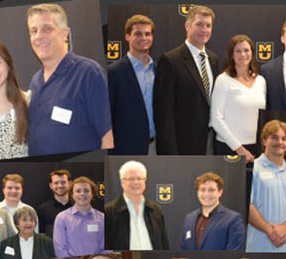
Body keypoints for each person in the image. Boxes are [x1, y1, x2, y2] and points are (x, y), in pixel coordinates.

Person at [26, 3, 113, 155]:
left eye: (47, 28)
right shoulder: (34, 81)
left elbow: (108, 134)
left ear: (65, 34)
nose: (39, 36)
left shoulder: (89, 73)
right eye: (34, 31)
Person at [154, 5, 218, 155]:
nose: (204, 29)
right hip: (182, 144)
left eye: (208, 25)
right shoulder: (170, 60)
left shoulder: (213, 59)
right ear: (187, 26)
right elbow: (164, 113)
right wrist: (170, 152)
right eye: (199, 24)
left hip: (210, 141)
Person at [246, 120, 286, 252]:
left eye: (284, 139)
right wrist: (269, 230)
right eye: (274, 137)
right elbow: (247, 205)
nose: (279, 142)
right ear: (264, 140)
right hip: (257, 244)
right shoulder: (252, 169)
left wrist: (284, 228)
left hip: (285, 244)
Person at [210, 34, 266, 161]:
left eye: (246, 50)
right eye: (238, 51)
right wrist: (239, 149)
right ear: (231, 55)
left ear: (252, 52)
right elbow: (216, 119)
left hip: (256, 148)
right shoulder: (223, 80)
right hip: (229, 147)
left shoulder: (260, 81)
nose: (243, 55)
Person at [108, 14, 156, 155]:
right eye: (138, 34)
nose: (144, 38)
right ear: (127, 36)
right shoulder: (113, 72)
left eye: (148, 34)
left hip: (156, 147)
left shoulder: (159, 70)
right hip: (125, 149)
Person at [105, 160, 169, 250]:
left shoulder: (155, 210)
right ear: (122, 182)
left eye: (139, 178)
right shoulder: (109, 212)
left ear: (145, 181)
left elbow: (164, 244)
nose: (135, 182)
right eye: (131, 179)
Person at [180, 172, 245, 250]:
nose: (206, 194)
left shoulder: (233, 219)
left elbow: (235, 249)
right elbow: (183, 248)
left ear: (220, 192)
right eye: (202, 190)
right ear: (197, 192)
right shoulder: (189, 218)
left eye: (211, 190)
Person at [53, 176, 105, 257]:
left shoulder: (103, 218)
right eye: (78, 191)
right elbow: (60, 248)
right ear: (72, 195)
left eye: (86, 191)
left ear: (92, 194)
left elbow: (106, 249)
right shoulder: (62, 218)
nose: (82, 194)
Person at [37, 169, 72, 238]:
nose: (60, 186)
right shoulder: (43, 209)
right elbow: (40, 235)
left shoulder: (78, 207)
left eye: (63, 182)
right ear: (51, 186)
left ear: (70, 184)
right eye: (56, 183)